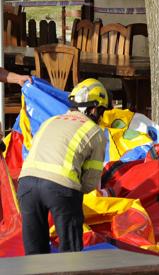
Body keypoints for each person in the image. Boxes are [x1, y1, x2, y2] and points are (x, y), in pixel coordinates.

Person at [17, 78, 108, 255]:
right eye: (102, 112)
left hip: (26, 186)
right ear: (94, 109)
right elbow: (89, 183)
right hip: (61, 188)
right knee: (70, 255)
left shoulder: (50, 121)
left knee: (34, 255)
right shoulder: (95, 132)